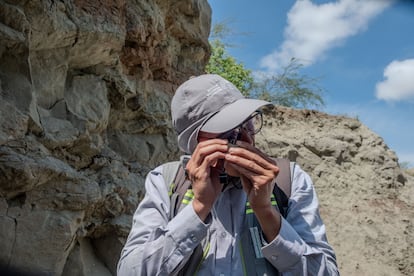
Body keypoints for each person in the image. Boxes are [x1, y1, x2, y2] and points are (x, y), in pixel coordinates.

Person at [117, 74, 339, 275]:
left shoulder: (288, 180)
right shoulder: (165, 181)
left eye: (249, 124)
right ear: (196, 144)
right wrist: (198, 208)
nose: (248, 140)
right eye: (230, 133)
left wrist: (266, 213)